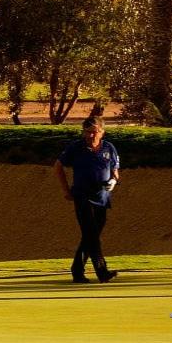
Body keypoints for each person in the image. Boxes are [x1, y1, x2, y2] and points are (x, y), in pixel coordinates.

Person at [56, 114, 119, 283]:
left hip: (103, 197)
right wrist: (66, 190)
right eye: (87, 132)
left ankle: (77, 270)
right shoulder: (76, 148)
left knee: (90, 235)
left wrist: (113, 181)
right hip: (82, 196)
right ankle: (102, 271)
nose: (91, 135)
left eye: (95, 132)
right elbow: (58, 166)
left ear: (102, 132)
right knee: (91, 233)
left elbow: (115, 170)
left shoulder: (109, 148)